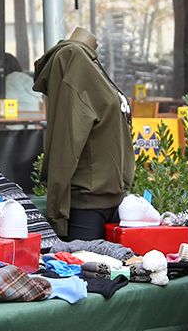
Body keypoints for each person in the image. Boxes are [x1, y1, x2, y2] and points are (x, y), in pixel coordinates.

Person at [32, 27, 132, 240]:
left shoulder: (91, 64)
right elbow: (66, 140)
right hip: (87, 206)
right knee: (89, 271)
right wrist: (57, 212)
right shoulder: (73, 59)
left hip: (112, 199)